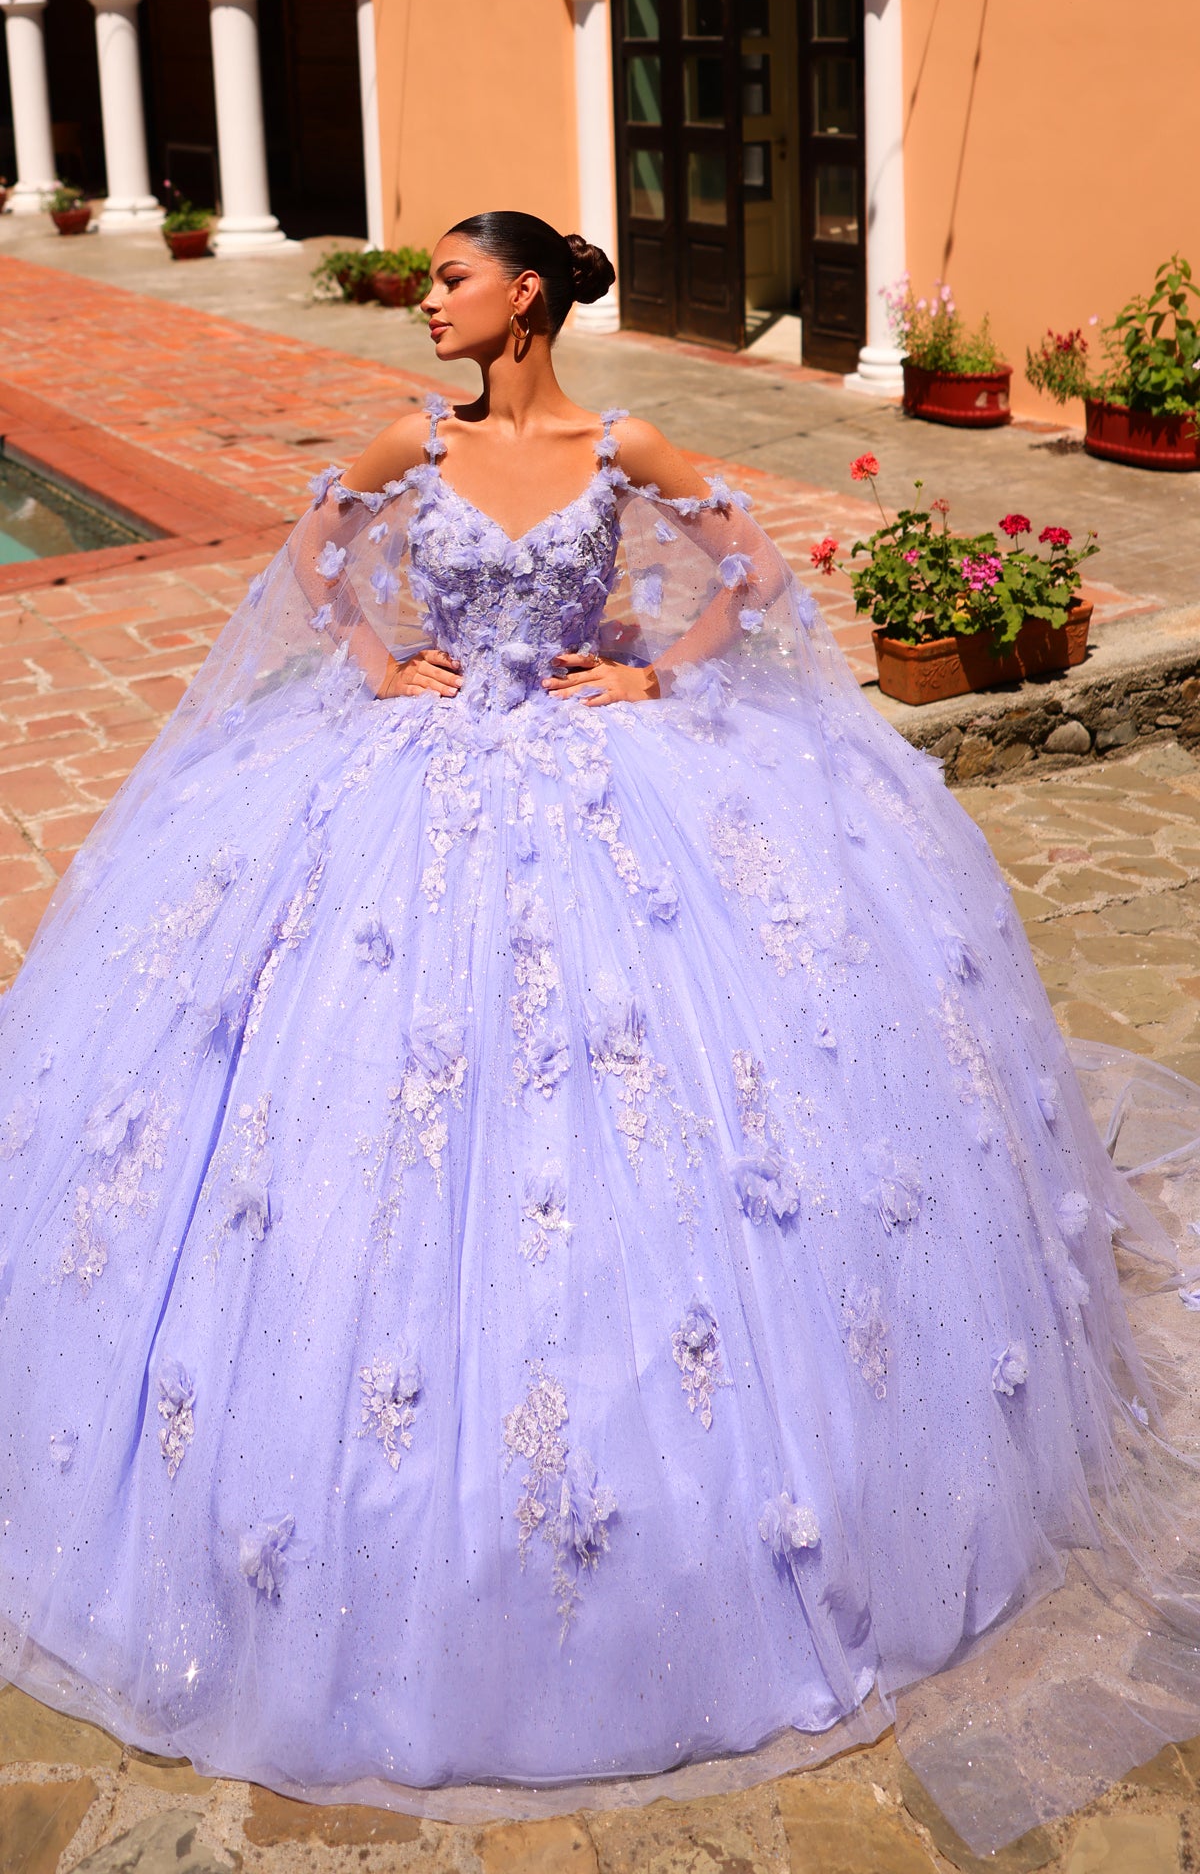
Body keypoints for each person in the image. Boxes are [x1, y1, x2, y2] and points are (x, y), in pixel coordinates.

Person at [2, 209, 1200, 1854]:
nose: (428, 299)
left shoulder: (618, 439)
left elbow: (758, 570)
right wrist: (375, 656)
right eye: (428, 280)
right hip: (412, 784)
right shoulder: (409, 437)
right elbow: (311, 553)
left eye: (451, 277)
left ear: (528, 299)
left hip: (595, 768)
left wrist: (664, 674)